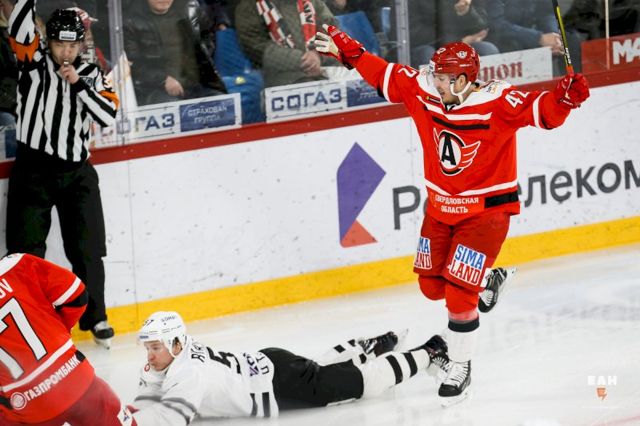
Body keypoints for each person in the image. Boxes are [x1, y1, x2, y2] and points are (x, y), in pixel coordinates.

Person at [314, 26, 589, 405]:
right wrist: (352, 53)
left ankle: (460, 366)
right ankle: (487, 281)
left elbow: (544, 113)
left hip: (487, 213)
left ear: (462, 80)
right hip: (440, 210)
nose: (435, 81)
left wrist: (565, 99)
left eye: (443, 77)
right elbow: (383, 73)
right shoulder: (424, 88)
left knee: (459, 295)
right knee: (431, 287)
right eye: (435, 74)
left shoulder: (499, 100)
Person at [6, 1, 118, 347]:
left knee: (88, 249)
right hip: (33, 171)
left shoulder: (92, 72)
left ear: (81, 43)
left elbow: (108, 115)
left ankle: (96, 317)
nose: (66, 52)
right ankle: (31, 322)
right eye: (59, 45)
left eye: (72, 45)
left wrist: (79, 85)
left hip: (77, 173)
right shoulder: (33, 63)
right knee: (25, 254)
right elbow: (19, 25)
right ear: (48, 42)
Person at [128, 311, 449, 424]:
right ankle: (368, 347)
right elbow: (151, 400)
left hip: (281, 386)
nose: (150, 356)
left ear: (176, 344)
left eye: (155, 347)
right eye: (148, 348)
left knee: (364, 384)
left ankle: (430, 351)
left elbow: (171, 419)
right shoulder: (180, 352)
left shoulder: (188, 374)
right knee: (321, 370)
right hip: (272, 363)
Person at [0, 253, 133, 425]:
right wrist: (58, 333)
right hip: (75, 377)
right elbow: (78, 296)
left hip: (26, 404)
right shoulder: (18, 264)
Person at [123, 0, 227, 106]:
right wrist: (163, 80)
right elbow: (132, 63)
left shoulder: (191, 9)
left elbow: (207, 35)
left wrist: (203, 59)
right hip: (155, 90)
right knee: (171, 106)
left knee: (222, 103)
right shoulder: (130, 20)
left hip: (197, 85)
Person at [234, 0, 339, 88]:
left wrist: (317, 55)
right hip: (284, 75)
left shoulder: (313, 2)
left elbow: (332, 32)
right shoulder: (249, 6)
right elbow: (256, 48)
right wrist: (302, 60)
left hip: (327, 66)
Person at [480, 0, 583, 73]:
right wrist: (538, 38)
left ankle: (573, 86)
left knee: (568, 39)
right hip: (503, 37)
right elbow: (496, 24)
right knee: (513, 45)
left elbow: (547, 13)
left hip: (533, 33)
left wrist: (553, 35)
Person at [392, 0, 499, 68]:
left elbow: (481, 26)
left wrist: (466, 12)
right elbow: (412, 34)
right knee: (429, 55)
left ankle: (486, 95)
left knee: (487, 50)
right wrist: (459, 41)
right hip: (425, 46)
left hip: (457, 41)